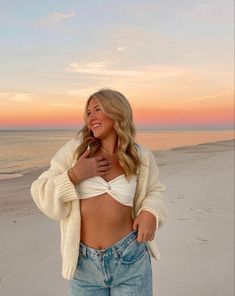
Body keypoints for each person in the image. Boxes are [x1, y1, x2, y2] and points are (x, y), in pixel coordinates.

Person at [31, 88, 167, 295]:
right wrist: (74, 175)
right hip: (85, 266)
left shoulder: (140, 156)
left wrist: (150, 212)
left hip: (130, 257)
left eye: (97, 109)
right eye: (88, 112)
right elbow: (39, 191)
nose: (90, 117)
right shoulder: (77, 150)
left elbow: (155, 190)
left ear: (117, 112)